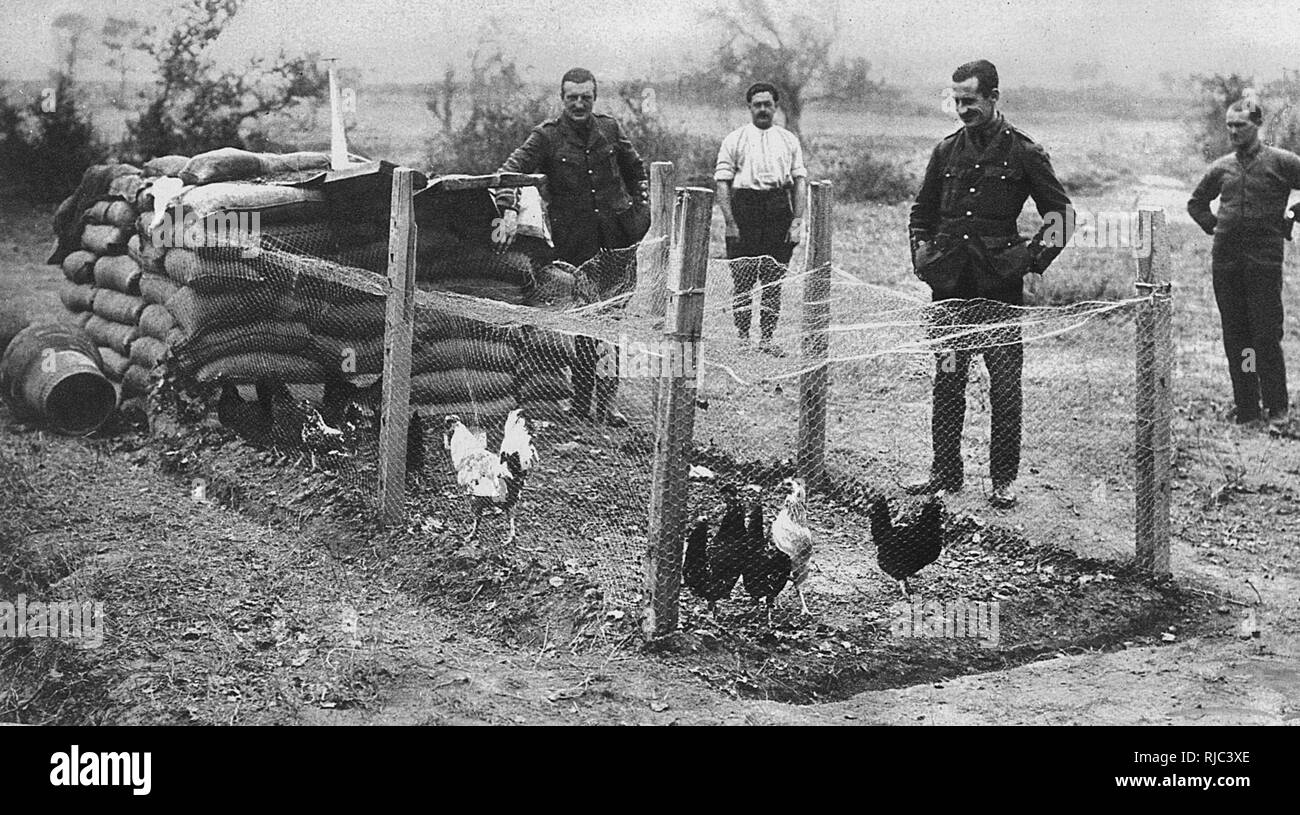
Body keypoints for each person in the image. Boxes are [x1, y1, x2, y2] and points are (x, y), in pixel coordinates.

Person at [906, 59, 1073, 509]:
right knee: (947, 378)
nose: (962, 109)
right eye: (956, 101)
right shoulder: (945, 151)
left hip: (998, 288)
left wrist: (1030, 260)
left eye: (971, 101)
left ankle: (1002, 480)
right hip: (950, 289)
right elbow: (921, 213)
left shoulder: (1024, 152)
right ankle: (945, 472)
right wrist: (922, 258)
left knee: (1003, 385)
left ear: (994, 98)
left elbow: (1061, 216)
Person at [491, 67, 649, 426]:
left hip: (616, 244)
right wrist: (507, 208)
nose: (579, 104)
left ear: (595, 98)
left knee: (613, 324)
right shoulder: (546, 137)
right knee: (580, 325)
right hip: (574, 246)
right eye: (572, 98)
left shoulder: (609, 129)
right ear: (562, 99)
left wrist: (641, 215)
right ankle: (579, 403)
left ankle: (608, 405)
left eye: (586, 98)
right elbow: (511, 170)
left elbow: (636, 170)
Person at [1188, 95, 1300, 429]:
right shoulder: (1222, 166)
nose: (1234, 132)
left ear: (1258, 125)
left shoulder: (1281, 162)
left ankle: (1278, 410)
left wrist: (1294, 213)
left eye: (1241, 125)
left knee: (1265, 335)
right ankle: (1248, 409)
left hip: (1263, 263)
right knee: (1238, 337)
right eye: (1229, 126)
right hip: (1226, 264)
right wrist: (1215, 226)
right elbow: (1196, 203)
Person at [715, 82, 808, 356]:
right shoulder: (735, 139)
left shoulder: (789, 140)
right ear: (750, 107)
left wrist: (796, 222)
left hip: (778, 210)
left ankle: (767, 339)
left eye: (768, 104)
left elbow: (799, 182)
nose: (763, 109)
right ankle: (743, 339)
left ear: (776, 108)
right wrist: (731, 222)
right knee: (743, 281)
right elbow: (722, 183)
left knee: (773, 280)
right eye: (758, 105)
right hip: (745, 210)